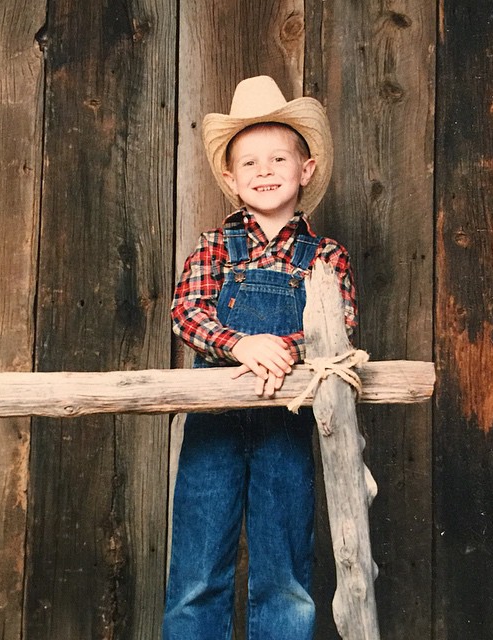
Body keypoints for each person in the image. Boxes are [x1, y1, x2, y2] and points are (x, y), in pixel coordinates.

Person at [163, 75, 357, 640]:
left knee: (286, 578)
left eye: (279, 158)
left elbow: (339, 329)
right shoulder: (213, 247)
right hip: (214, 427)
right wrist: (242, 344)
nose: (265, 170)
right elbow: (188, 314)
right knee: (198, 573)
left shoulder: (326, 256)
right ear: (230, 177)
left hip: (287, 425)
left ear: (307, 168)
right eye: (249, 162)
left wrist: (286, 352)